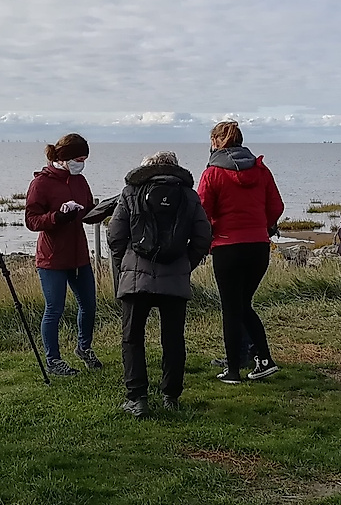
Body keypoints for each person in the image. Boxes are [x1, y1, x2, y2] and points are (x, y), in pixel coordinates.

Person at [108, 151, 212, 417]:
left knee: (132, 338)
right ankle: (171, 396)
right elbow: (203, 236)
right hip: (175, 276)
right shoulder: (188, 195)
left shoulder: (131, 191)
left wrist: (123, 265)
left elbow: (115, 234)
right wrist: (186, 264)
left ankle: (137, 398)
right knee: (173, 339)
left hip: (135, 276)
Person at [197, 120, 284, 384]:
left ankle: (233, 369)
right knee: (243, 305)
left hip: (227, 246)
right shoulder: (260, 170)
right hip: (258, 246)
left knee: (232, 309)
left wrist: (211, 231)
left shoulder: (212, 173)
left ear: (215, 142)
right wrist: (261, 226)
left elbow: (202, 210)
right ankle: (264, 360)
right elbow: (276, 206)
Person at [25, 133, 101, 376]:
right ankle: (53, 360)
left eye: (85, 159)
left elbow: (87, 211)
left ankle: (84, 347)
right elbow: (31, 220)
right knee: (54, 309)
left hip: (78, 255)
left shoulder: (80, 180)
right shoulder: (41, 183)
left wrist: (101, 211)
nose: (82, 163)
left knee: (88, 305)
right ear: (65, 158)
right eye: (79, 158)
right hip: (52, 258)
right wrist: (57, 217)